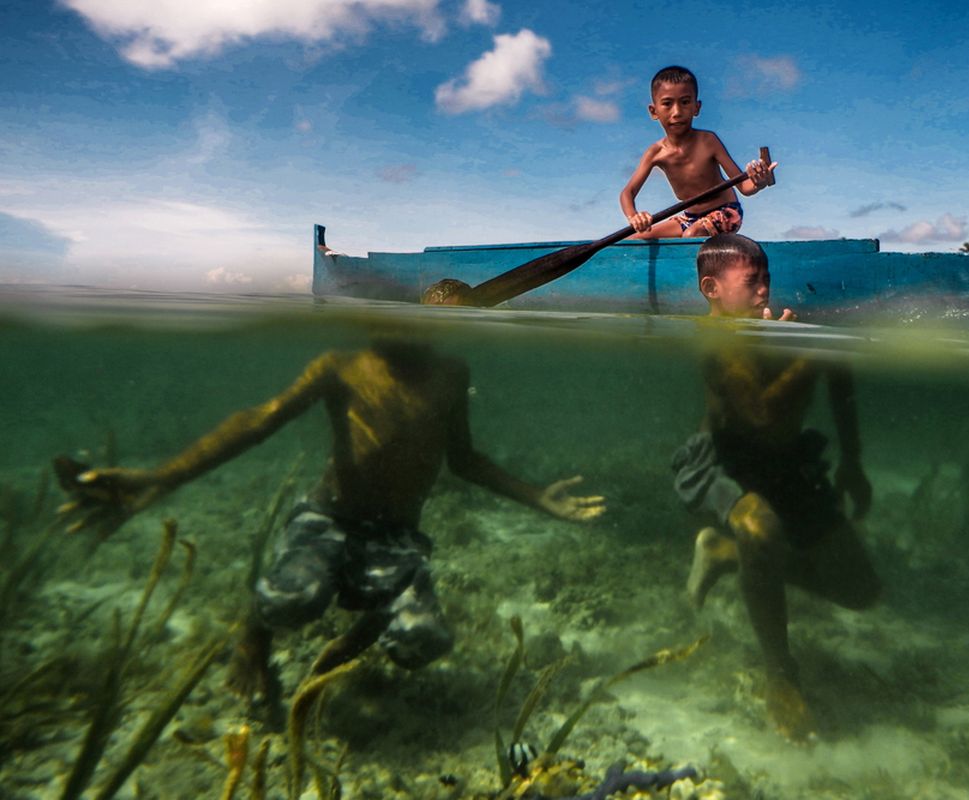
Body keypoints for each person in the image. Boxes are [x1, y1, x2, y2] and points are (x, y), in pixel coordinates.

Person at [55, 333, 605, 703]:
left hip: (395, 537)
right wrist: (161, 477)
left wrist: (538, 498)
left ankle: (348, 642)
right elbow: (258, 420)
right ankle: (254, 634)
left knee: (423, 641)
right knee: (289, 600)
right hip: (328, 518)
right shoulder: (343, 365)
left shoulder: (450, 371)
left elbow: (461, 458)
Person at [671, 233, 881, 741]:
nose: (765, 290)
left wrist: (851, 462)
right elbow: (759, 415)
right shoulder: (713, 338)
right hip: (724, 462)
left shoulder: (773, 329)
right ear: (712, 288)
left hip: (786, 463)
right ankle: (780, 673)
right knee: (759, 528)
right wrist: (804, 350)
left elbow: (840, 375)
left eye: (767, 278)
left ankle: (724, 553)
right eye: (752, 282)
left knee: (860, 591)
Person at [619, 66, 776, 239]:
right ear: (653, 111)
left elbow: (744, 187)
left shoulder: (708, 141)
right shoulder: (655, 152)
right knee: (631, 240)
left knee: (692, 235)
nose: (677, 112)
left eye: (685, 102)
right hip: (689, 219)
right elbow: (628, 193)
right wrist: (634, 217)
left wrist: (759, 182)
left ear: (697, 107)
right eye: (667, 104)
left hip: (726, 212)